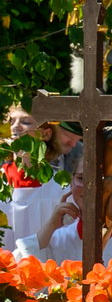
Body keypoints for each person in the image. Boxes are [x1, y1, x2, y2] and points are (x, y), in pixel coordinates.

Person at [24, 160, 112, 264]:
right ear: (71, 183)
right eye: (81, 178)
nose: (90, 187)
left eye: (100, 179)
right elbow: (29, 268)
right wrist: (51, 225)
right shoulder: (59, 239)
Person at [0, 105, 65, 250]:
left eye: (26, 122)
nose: (15, 127)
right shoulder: (1, 181)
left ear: (46, 134)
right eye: (10, 122)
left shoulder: (59, 187)